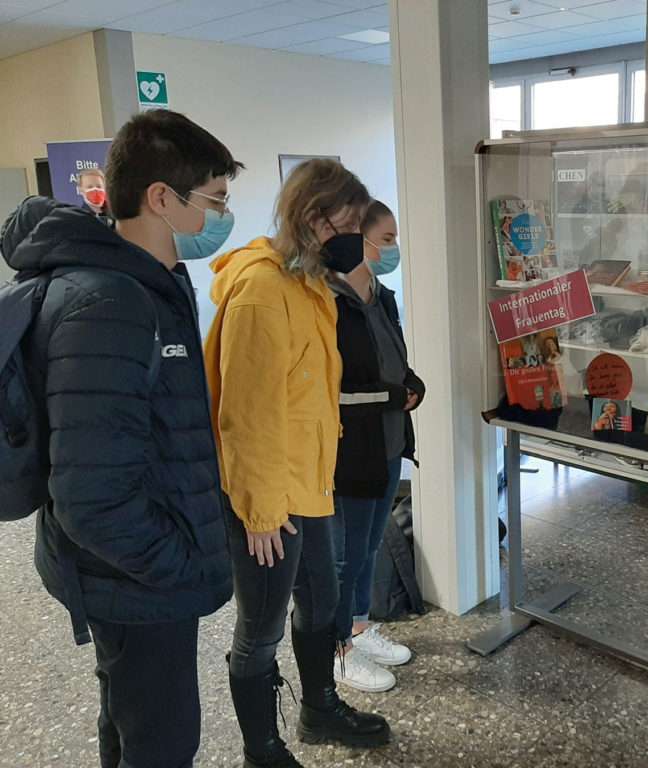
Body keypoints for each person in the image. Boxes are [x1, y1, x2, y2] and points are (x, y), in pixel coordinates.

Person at [1, 109, 240, 767]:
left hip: (133, 569)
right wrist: (180, 568)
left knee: (134, 725)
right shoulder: (109, 302)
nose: (223, 217)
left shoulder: (151, 285)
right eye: (215, 200)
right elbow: (91, 499)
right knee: (161, 742)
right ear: (161, 199)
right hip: (135, 577)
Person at [204, 158, 390, 768]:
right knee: (260, 628)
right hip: (267, 500)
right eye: (350, 226)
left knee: (323, 603)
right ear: (314, 220)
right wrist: (258, 513)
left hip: (311, 484)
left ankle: (319, 708)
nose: (357, 242)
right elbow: (246, 414)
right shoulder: (260, 289)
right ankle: (263, 748)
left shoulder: (308, 287)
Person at [329, 200, 425, 693]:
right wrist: (391, 394)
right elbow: (331, 388)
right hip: (351, 451)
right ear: (356, 241)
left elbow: (394, 362)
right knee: (345, 553)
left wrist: (412, 384)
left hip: (388, 443)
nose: (393, 249)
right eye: (385, 240)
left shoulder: (381, 298)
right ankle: (337, 649)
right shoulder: (329, 301)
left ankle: (360, 626)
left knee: (369, 546)